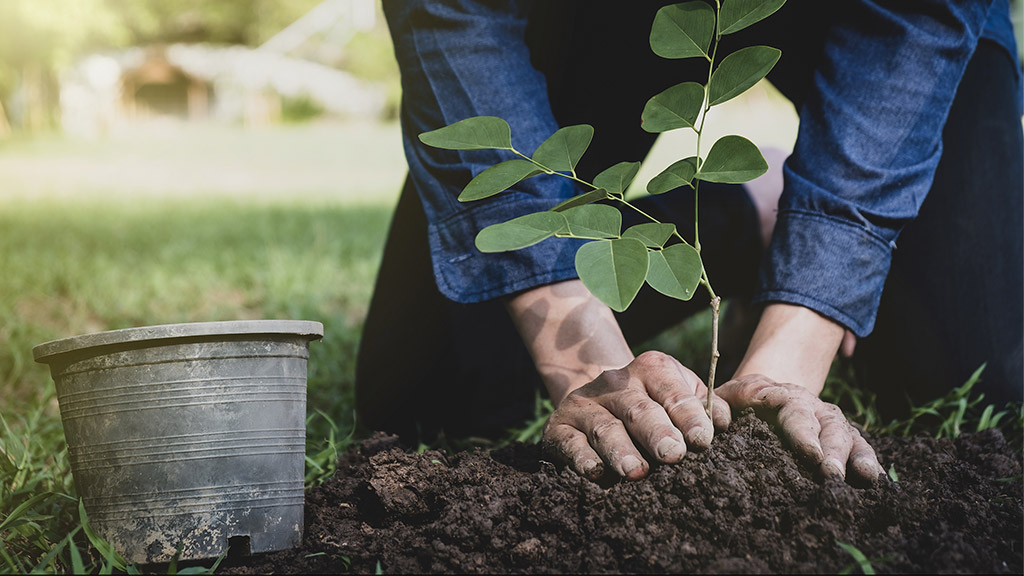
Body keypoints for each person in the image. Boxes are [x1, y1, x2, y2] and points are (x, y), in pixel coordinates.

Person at [355, 0, 1023, 484]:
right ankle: (754, 214)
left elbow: (916, 21)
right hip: (593, 13)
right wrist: (591, 373)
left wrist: (793, 351)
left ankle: (791, 260)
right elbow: (455, 15)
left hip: (883, 20)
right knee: (433, 394)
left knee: (973, 373)